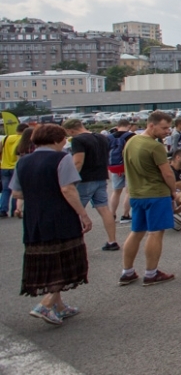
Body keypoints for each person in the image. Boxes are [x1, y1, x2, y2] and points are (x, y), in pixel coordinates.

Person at [10, 124, 93, 325]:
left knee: (45, 259)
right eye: (63, 138)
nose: (65, 141)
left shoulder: (23, 161)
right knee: (63, 259)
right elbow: (68, 189)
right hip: (60, 215)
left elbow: (17, 192)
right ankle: (46, 303)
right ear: (56, 140)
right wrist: (83, 214)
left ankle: (60, 305)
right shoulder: (61, 158)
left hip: (35, 217)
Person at [119, 111, 178, 286]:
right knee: (155, 232)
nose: (167, 131)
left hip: (136, 194)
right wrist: (174, 191)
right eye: (164, 127)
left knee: (136, 231)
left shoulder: (131, 141)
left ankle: (127, 271)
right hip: (156, 194)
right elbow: (167, 173)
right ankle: (151, 273)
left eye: (169, 127)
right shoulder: (155, 146)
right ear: (151, 125)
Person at [64, 119, 119, 251]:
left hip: (84, 179)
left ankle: (75, 243)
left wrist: (69, 180)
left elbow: (78, 162)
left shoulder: (78, 140)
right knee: (104, 209)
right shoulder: (102, 137)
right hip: (101, 176)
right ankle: (112, 241)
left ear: (71, 130)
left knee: (75, 210)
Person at [106, 120, 135, 223]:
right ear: (128, 126)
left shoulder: (109, 137)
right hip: (128, 166)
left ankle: (112, 214)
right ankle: (125, 215)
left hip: (114, 167)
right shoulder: (131, 136)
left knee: (116, 191)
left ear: (117, 126)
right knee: (129, 192)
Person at [1, 122, 28, 218]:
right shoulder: (23, 140)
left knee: (5, 190)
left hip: (4, 166)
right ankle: (14, 210)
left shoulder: (6, 138)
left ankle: (2, 209)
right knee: (15, 189)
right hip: (15, 166)